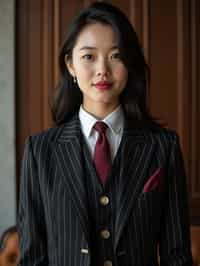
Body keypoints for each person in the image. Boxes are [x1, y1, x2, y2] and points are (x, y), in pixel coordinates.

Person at [17, 2, 193, 266]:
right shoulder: (40, 151)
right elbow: (32, 259)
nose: (102, 70)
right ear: (70, 65)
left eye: (116, 55)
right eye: (89, 56)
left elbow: (177, 256)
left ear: (130, 63)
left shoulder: (163, 147)